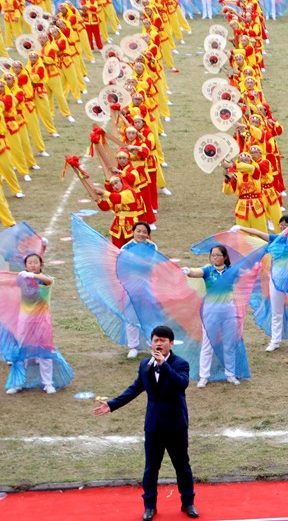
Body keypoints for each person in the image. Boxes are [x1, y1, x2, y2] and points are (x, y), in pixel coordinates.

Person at [93, 325, 199, 520]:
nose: (158, 344)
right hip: (154, 426)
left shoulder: (181, 364)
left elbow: (180, 383)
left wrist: (163, 365)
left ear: (171, 344)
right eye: (155, 340)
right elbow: (135, 388)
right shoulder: (145, 365)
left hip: (175, 425)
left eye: (163, 341)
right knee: (151, 468)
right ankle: (150, 506)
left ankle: (188, 502)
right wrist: (112, 404)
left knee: (182, 466)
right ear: (151, 343)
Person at [232, 216, 288, 353]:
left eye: (286, 224)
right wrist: (240, 228)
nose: (283, 226)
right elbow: (257, 233)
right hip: (275, 281)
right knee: (276, 312)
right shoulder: (275, 239)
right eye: (281, 224)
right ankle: (275, 341)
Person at [4, 252, 72, 395]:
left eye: (36, 262)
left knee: (45, 350)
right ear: (25, 265)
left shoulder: (45, 280)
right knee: (22, 349)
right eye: (30, 263)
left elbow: (48, 280)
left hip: (42, 321)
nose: (33, 265)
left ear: (41, 265)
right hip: (25, 320)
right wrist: (23, 276)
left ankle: (48, 383)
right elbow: (10, 283)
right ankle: (18, 382)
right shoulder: (22, 279)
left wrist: (32, 275)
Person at [182, 246, 244, 387]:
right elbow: (196, 272)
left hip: (229, 312)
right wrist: (188, 271)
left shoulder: (231, 271)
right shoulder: (208, 270)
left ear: (225, 257)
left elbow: (245, 273)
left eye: (218, 255)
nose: (215, 258)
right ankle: (204, 376)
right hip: (210, 312)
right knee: (208, 344)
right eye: (213, 255)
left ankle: (230, 374)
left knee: (229, 344)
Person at [120, 222, 156, 359]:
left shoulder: (152, 246)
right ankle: (133, 347)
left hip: (147, 285)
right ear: (133, 232)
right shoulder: (126, 247)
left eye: (144, 232)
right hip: (130, 286)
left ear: (148, 234)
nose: (141, 234)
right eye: (138, 231)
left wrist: (134, 260)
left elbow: (149, 264)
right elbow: (123, 267)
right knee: (131, 316)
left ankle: (152, 344)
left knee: (149, 316)